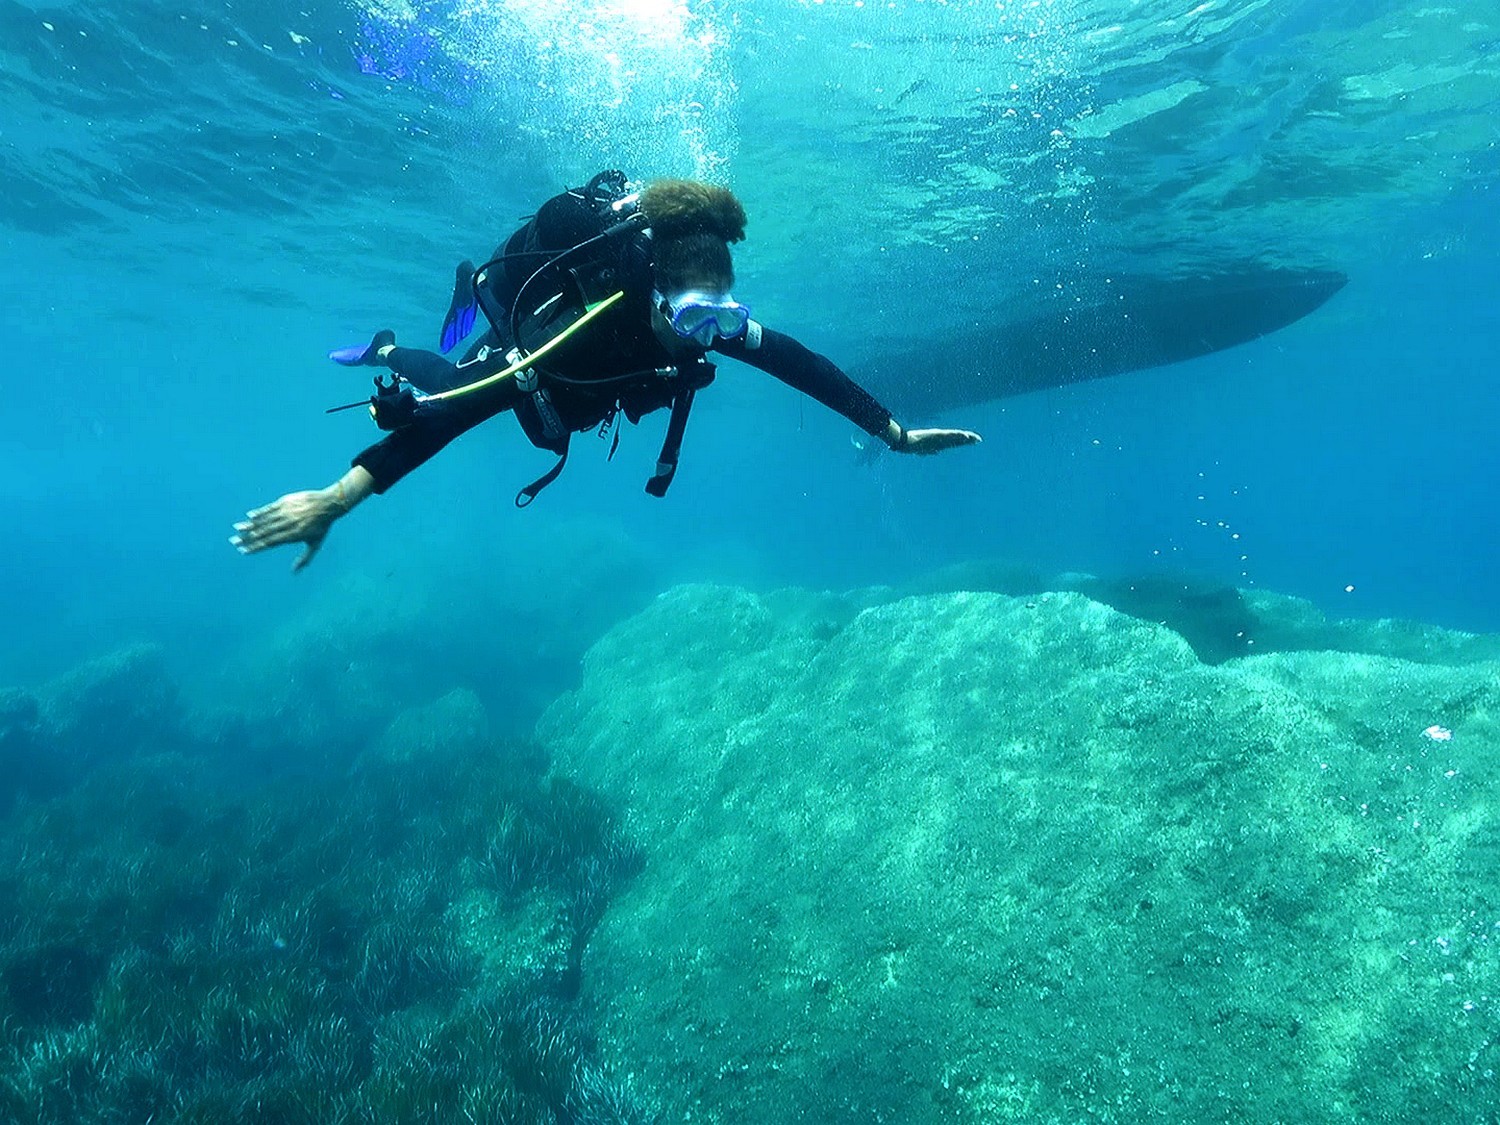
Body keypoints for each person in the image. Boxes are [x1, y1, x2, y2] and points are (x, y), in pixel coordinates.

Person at [232, 172, 981, 571]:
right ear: (653, 295)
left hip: (575, 399)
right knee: (448, 385)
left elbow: (798, 362)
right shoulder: (585, 327)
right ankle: (387, 347)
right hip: (539, 362)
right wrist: (338, 497)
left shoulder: (701, 324)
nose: (709, 340)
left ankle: (398, 348)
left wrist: (894, 432)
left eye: (721, 321)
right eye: (695, 320)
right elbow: (447, 422)